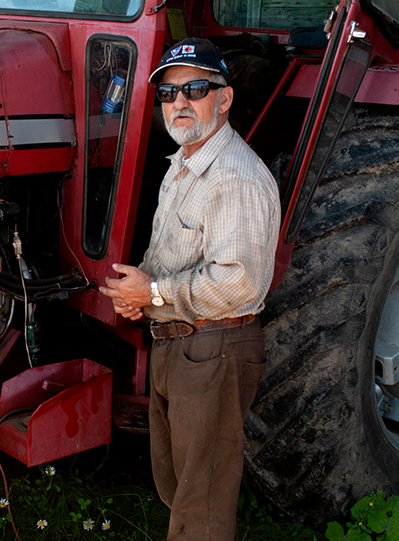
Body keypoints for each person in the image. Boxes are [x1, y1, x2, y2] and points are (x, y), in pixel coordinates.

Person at [99, 38, 280, 541]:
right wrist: (142, 292)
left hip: (215, 348)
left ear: (223, 99)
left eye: (195, 89)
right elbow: (172, 256)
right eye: (168, 92)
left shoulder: (234, 178)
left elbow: (238, 281)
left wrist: (154, 293)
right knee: (179, 486)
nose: (179, 102)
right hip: (178, 343)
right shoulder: (182, 164)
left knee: (201, 504)